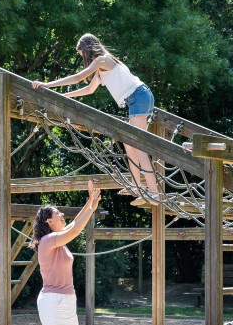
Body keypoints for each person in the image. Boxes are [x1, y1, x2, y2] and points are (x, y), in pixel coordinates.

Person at [31, 33, 159, 206]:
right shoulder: (101, 66)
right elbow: (89, 89)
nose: (81, 57)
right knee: (129, 144)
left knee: (139, 147)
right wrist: (63, 96)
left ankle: (154, 194)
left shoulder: (102, 60)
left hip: (138, 97)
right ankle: (135, 186)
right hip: (137, 98)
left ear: (86, 49)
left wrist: (47, 84)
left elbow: (77, 78)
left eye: (80, 53)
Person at [30, 180, 101, 325]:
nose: (62, 215)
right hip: (53, 300)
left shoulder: (58, 241)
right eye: (58, 213)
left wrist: (91, 203)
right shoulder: (48, 240)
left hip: (64, 298)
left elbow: (72, 227)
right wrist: (90, 205)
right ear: (48, 221)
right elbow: (77, 229)